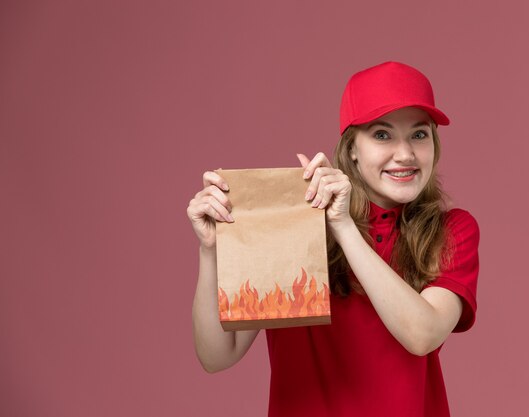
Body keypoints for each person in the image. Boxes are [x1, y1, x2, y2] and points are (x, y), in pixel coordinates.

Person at [186, 61, 480, 417]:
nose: (405, 154)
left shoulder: (451, 230)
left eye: (419, 134)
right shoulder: (292, 220)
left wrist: (343, 227)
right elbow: (218, 356)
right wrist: (209, 252)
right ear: (352, 148)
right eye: (382, 134)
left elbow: (423, 334)